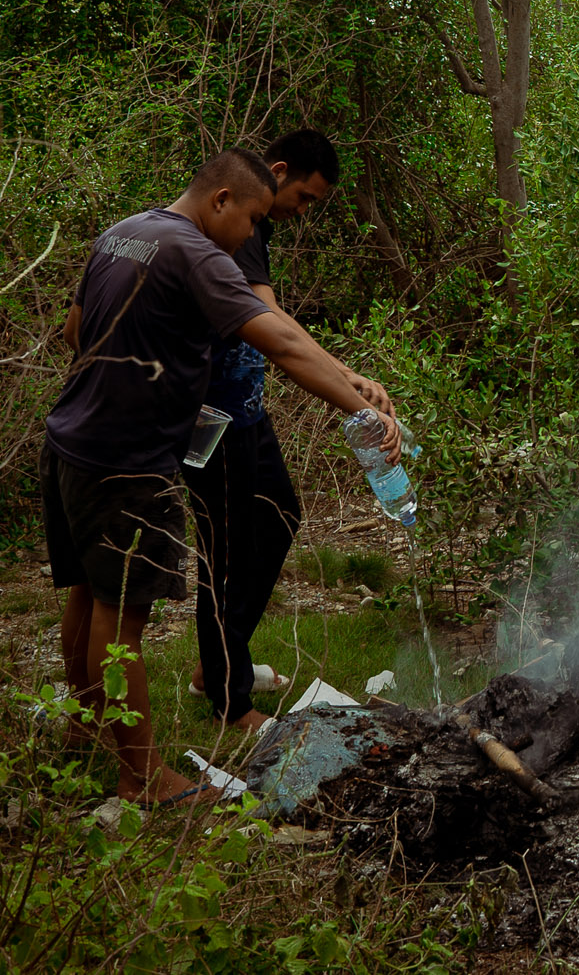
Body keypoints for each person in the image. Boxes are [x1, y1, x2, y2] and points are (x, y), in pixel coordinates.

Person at [45, 147, 401, 808]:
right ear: (221, 202)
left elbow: (74, 329)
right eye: (253, 219)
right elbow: (284, 344)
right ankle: (144, 778)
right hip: (126, 457)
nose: (252, 238)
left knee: (88, 596)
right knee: (121, 617)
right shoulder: (197, 253)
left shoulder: (124, 231)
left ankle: (86, 725)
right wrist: (363, 411)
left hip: (71, 437)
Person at [185, 127, 371, 731]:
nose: (303, 211)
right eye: (307, 198)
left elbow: (274, 319)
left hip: (246, 411)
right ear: (280, 169)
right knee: (226, 546)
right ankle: (228, 700)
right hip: (208, 417)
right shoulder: (229, 224)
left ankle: (219, 662)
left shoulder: (252, 227)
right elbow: (270, 325)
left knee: (279, 514)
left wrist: (346, 374)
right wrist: (352, 394)